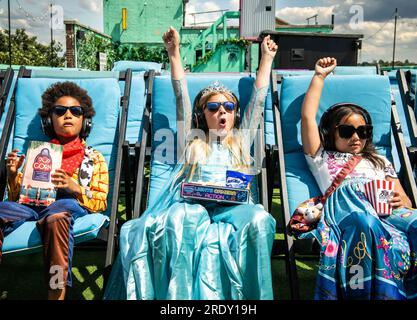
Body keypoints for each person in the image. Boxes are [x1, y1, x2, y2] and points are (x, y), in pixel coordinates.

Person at [104, 27, 277, 300]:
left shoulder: (241, 141)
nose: (222, 112)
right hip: (192, 206)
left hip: (232, 209)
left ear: (235, 115)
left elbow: (258, 101)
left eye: (228, 108)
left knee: (260, 219)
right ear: (202, 115)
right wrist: (174, 53)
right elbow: (181, 98)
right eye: (214, 108)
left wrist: (265, 59)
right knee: (182, 218)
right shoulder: (192, 140)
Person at [301, 57, 417, 299]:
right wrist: (319, 76)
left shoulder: (380, 161)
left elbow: (405, 201)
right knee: (364, 222)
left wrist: (400, 201)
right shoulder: (323, 158)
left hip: (385, 211)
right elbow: (308, 118)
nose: (356, 137)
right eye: (347, 131)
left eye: (363, 131)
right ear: (330, 134)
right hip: (349, 209)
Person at [0, 82, 109, 300]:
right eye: (60, 111)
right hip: (30, 207)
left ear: (84, 120)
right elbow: (16, 199)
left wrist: (75, 187)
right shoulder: (37, 153)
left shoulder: (94, 158)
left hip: (64, 207)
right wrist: (12, 175)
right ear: (49, 120)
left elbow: (100, 202)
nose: (67, 115)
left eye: (75, 111)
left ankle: (56, 293)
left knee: (58, 216)